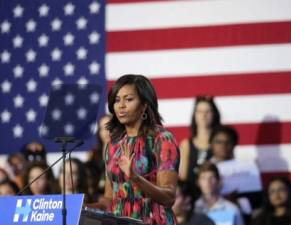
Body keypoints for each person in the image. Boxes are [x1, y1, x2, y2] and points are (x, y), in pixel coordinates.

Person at [87, 74, 180, 225]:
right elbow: (109, 201)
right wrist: (83, 208)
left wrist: (135, 177)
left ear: (144, 104)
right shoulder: (113, 144)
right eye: (117, 100)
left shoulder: (162, 139)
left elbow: (169, 197)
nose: (121, 105)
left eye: (128, 99)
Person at [179, 95, 221, 185]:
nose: (203, 115)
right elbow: (183, 179)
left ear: (214, 114)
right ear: (194, 115)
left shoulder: (221, 143)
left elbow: (229, 172)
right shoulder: (186, 145)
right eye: (199, 111)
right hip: (193, 196)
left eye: (208, 111)